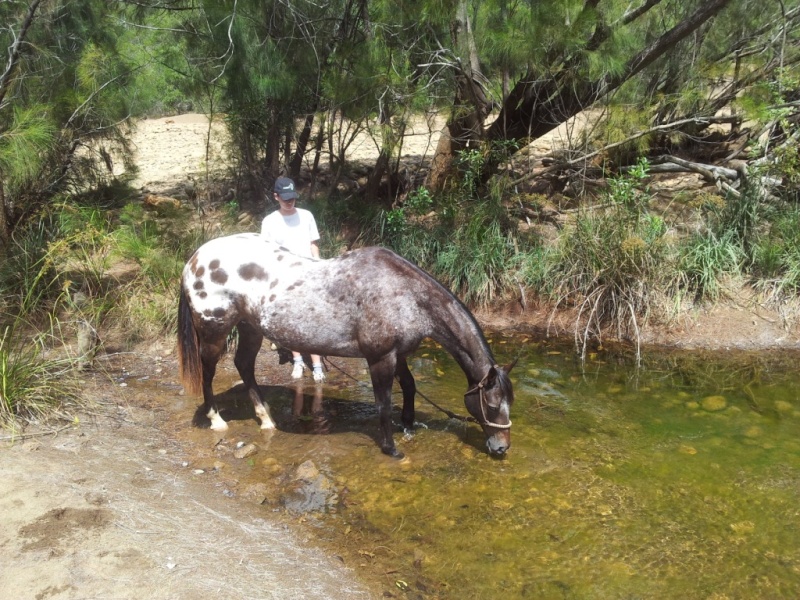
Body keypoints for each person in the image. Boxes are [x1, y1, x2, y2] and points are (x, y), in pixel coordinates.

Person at [260, 176, 326, 383]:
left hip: (308, 274)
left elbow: (313, 243)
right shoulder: (270, 221)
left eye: (293, 198)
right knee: (292, 321)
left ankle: (317, 364)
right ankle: (297, 360)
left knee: (312, 320)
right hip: (285, 277)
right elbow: (268, 253)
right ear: (276, 197)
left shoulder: (306, 216)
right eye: (285, 198)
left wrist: (317, 264)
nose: (290, 202)